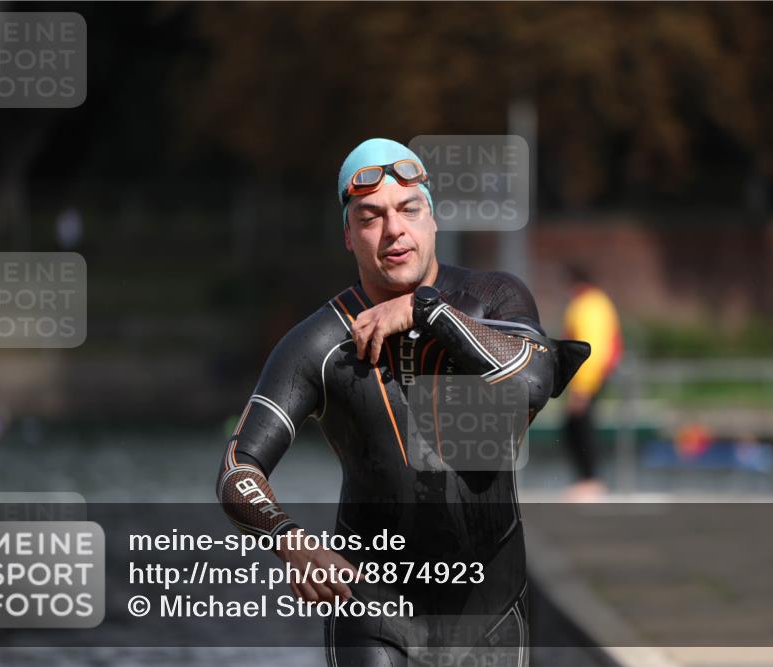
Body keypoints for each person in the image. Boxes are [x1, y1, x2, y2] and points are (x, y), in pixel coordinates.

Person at [216, 138, 587, 667]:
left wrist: (424, 311)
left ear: (432, 220)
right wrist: (289, 539)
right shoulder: (319, 344)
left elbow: (534, 378)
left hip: (491, 610)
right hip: (371, 609)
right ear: (349, 236)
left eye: (409, 209)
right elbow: (237, 468)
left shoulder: (494, 299)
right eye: (371, 217)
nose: (394, 229)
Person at [561, 264, 622, 501]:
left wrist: (582, 388)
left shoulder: (588, 305)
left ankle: (590, 481)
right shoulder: (594, 303)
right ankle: (587, 480)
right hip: (591, 376)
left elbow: (590, 348)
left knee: (580, 426)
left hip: (590, 377)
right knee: (577, 426)